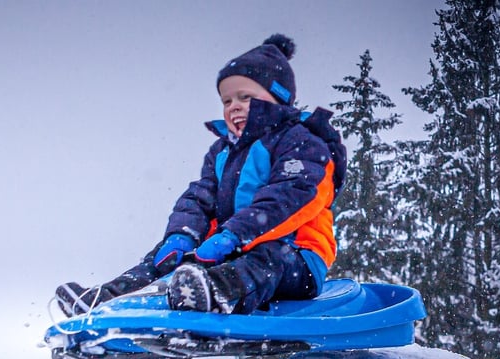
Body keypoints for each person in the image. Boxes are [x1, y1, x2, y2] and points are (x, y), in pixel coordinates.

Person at [55, 34, 347, 317]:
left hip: (298, 257)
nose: (233, 106)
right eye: (226, 100)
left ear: (278, 98)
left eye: (245, 97)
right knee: (167, 257)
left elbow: (293, 196)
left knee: (270, 256)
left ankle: (216, 294)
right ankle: (107, 299)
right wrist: (181, 236)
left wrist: (234, 235)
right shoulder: (222, 151)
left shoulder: (302, 142)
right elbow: (199, 198)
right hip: (234, 253)